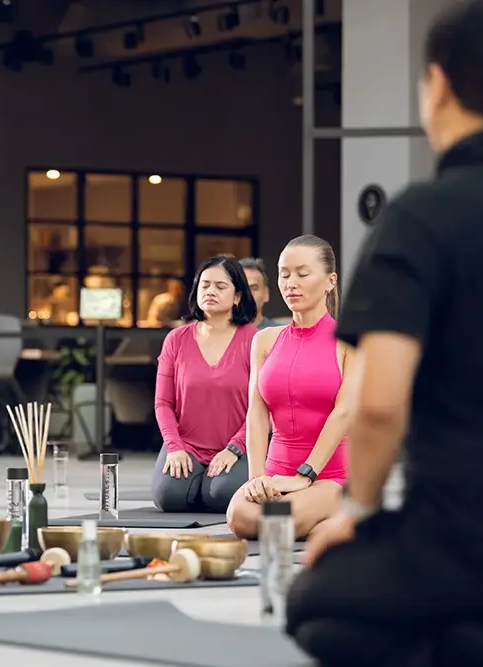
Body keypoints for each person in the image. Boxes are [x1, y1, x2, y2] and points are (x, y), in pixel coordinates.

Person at [287, 4, 483, 664]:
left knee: (315, 600)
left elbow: (378, 403)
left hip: (456, 532)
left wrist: (359, 514)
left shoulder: (422, 217)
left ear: (438, 86)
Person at [226, 236, 359, 540]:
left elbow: (344, 413)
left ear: (330, 281)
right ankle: (334, 526)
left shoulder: (350, 340)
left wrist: (305, 475)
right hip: (275, 476)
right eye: (284, 274)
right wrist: (256, 479)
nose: (291, 283)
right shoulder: (265, 340)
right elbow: (257, 413)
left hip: (330, 477)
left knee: (280, 519)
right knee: (238, 515)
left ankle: (336, 512)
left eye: (302, 273)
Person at [151, 256, 257, 513]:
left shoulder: (255, 340)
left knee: (222, 496)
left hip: (236, 446)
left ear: (237, 297)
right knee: (169, 498)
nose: (210, 292)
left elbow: (262, 406)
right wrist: (174, 447)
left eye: (220, 287)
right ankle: (197, 481)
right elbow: (163, 403)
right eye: (205, 285)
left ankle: (207, 483)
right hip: (186, 445)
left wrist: (235, 449)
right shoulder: (176, 339)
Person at [238, 257, 277, 329]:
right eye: (241, 288)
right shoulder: (218, 335)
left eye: (254, 288)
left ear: (266, 294)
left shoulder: (280, 334)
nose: (247, 294)